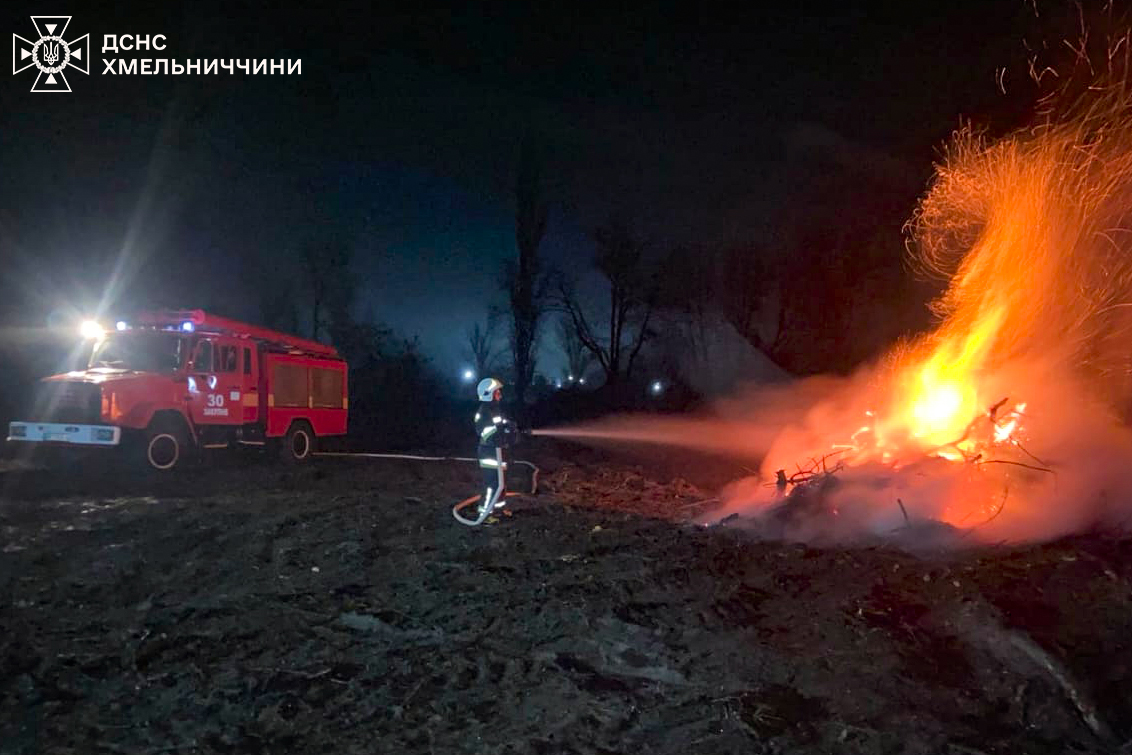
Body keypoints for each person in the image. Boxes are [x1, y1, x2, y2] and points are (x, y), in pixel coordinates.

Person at [474, 377, 516, 517]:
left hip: (498, 451)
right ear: (489, 394)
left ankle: (498, 509)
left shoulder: (494, 409)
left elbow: (501, 424)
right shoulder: (484, 410)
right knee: (492, 485)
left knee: (501, 484)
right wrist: (499, 430)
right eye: (497, 392)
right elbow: (482, 431)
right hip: (489, 453)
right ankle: (485, 515)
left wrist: (509, 426)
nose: (500, 395)